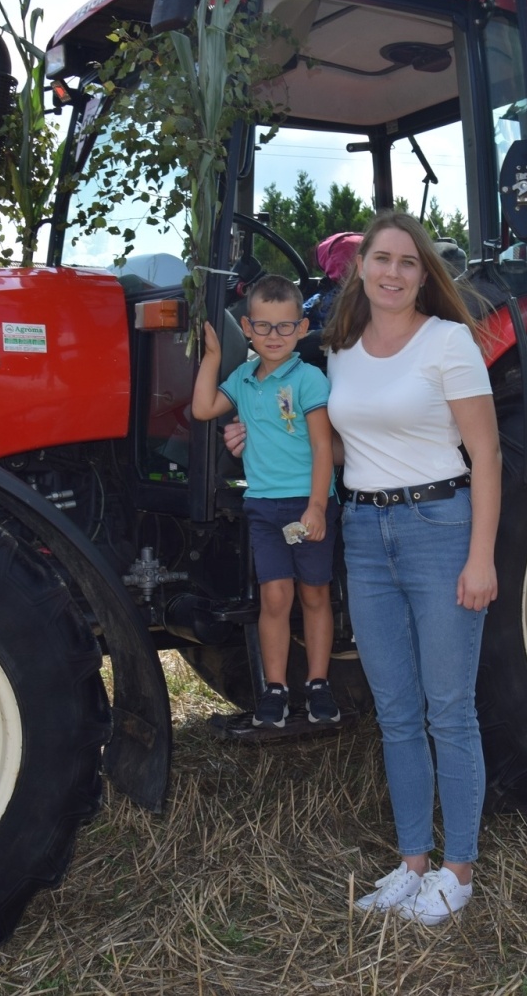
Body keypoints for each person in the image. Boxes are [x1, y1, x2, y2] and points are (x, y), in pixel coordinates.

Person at [324, 210, 500, 926]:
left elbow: (484, 454)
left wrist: (481, 555)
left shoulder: (448, 341)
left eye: (408, 262)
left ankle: (457, 870)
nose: (393, 272)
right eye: (382, 259)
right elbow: (346, 448)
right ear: (360, 266)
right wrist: (265, 429)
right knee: (396, 714)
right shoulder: (341, 350)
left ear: (423, 275)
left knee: (449, 710)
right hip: (365, 533)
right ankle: (411, 863)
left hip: (440, 529)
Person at [192, 274, 341, 727]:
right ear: (248, 328)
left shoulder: (309, 379)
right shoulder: (242, 379)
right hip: (263, 505)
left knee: (315, 594)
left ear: (301, 328)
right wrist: (214, 357)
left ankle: (318, 683)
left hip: (308, 502)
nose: (273, 337)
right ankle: (274, 690)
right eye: (263, 327)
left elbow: (322, 449)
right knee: (275, 597)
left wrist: (317, 506)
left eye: (284, 327)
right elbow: (201, 410)